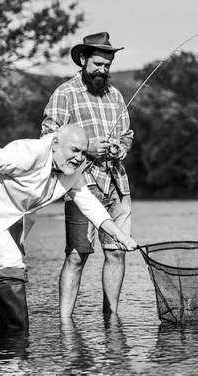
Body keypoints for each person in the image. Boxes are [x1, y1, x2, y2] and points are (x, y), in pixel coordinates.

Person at [0, 124, 137, 331]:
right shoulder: (26, 154)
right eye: (74, 150)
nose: (80, 157)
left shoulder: (73, 170)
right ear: (55, 144)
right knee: (10, 265)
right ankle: (17, 338)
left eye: (83, 152)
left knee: (2, 267)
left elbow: (91, 206)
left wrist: (121, 236)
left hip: (12, 216)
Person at [41, 31, 134, 317]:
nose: (102, 70)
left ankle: (112, 318)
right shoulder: (64, 93)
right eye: (97, 64)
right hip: (81, 186)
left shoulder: (116, 96)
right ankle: (65, 322)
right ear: (82, 60)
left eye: (107, 65)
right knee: (76, 256)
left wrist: (121, 147)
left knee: (117, 252)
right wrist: (87, 147)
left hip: (117, 185)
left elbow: (128, 134)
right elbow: (48, 136)